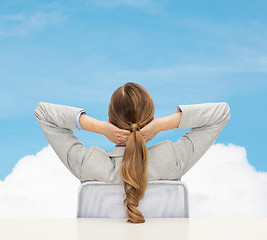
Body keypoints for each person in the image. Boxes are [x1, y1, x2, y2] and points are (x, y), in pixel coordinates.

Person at [34, 82, 231, 224]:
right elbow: (221, 113)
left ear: (110, 119)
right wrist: (162, 124)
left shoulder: (89, 164)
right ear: (151, 119)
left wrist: (99, 127)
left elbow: (43, 113)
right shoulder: (172, 159)